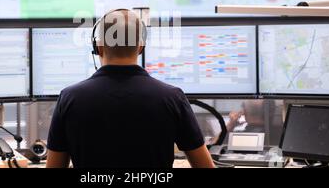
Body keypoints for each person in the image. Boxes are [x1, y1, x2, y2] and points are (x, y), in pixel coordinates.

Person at [46, 9, 215, 168]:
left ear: (98, 47)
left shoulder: (69, 98)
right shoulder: (172, 97)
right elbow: (205, 166)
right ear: (141, 47)